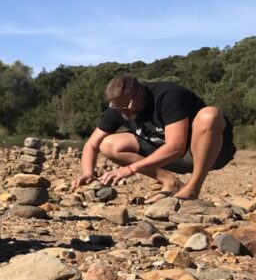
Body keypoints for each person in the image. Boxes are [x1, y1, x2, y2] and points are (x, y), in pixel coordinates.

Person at [70, 74, 235, 201]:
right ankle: (172, 183)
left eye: (126, 106)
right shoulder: (119, 106)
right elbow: (91, 145)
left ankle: (193, 188)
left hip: (209, 153)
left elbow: (176, 147)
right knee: (108, 144)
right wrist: (87, 173)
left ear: (139, 92)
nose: (122, 112)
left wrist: (131, 169)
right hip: (167, 156)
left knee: (209, 115)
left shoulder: (168, 96)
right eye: (116, 106)